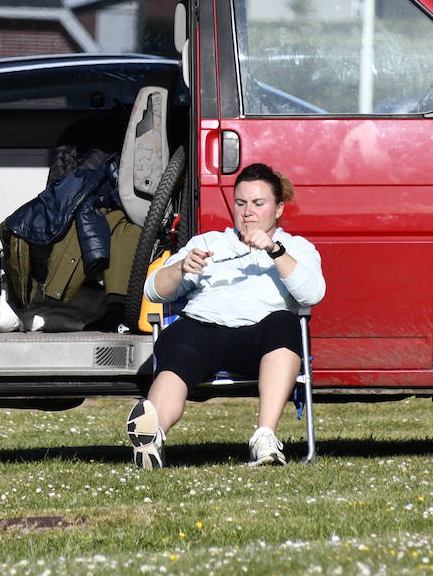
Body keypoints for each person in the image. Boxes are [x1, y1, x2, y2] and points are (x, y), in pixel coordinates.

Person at [126, 162, 324, 469]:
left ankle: (265, 437)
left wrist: (275, 250)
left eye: (259, 204)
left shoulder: (296, 248)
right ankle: (152, 435)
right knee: (179, 340)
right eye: (241, 203)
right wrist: (180, 269)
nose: (247, 212)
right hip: (204, 330)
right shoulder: (208, 243)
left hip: (259, 339)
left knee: (286, 324)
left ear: (279, 208)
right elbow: (153, 291)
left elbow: (312, 294)